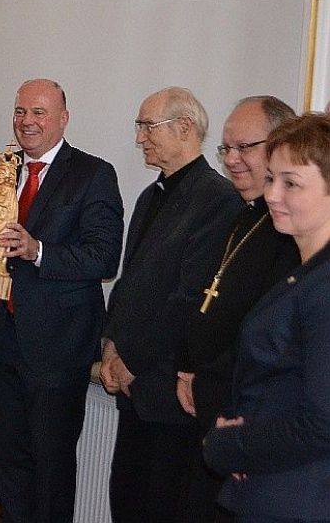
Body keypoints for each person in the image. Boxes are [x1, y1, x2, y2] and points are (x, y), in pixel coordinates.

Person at [0, 79, 124, 522]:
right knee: (9, 463)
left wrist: (38, 251)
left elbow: (103, 256)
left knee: (51, 469)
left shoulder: (93, 174)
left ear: (62, 119)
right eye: (20, 112)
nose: (26, 122)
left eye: (38, 112)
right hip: (1, 342)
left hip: (59, 349)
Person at [99, 86, 244, 522]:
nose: (140, 137)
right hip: (134, 389)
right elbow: (129, 285)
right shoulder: (150, 197)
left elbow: (189, 299)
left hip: (168, 393)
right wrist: (109, 345)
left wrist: (133, 360)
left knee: (161, 507)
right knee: (126, 500)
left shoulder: (217, 200)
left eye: (148, 126)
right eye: (139, 127)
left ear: (184, 128)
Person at [175, 96, 299, 523]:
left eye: (244, 147)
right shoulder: (245, 217)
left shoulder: (290, 233)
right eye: (226, 149)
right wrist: (191, 368)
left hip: (243, 413)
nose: (232, 160)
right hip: (209, 404)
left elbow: (268, 334)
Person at [203, 113, 330, 522]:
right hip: (274, 482)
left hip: (301, 495)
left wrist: (231, 446)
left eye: (290, 183)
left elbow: (320, 422)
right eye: (272, 178)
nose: (272, 194)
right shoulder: (305, 271)